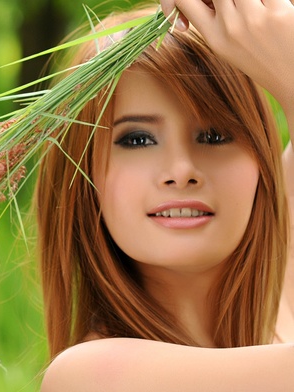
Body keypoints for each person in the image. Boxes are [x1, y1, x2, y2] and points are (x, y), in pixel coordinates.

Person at [37, 0, 294, 390]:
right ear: (82, 172)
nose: (181, 171)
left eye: (213, 135)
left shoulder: (282, 299)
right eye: (137, 139)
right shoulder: (89, 376)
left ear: (261, 162)